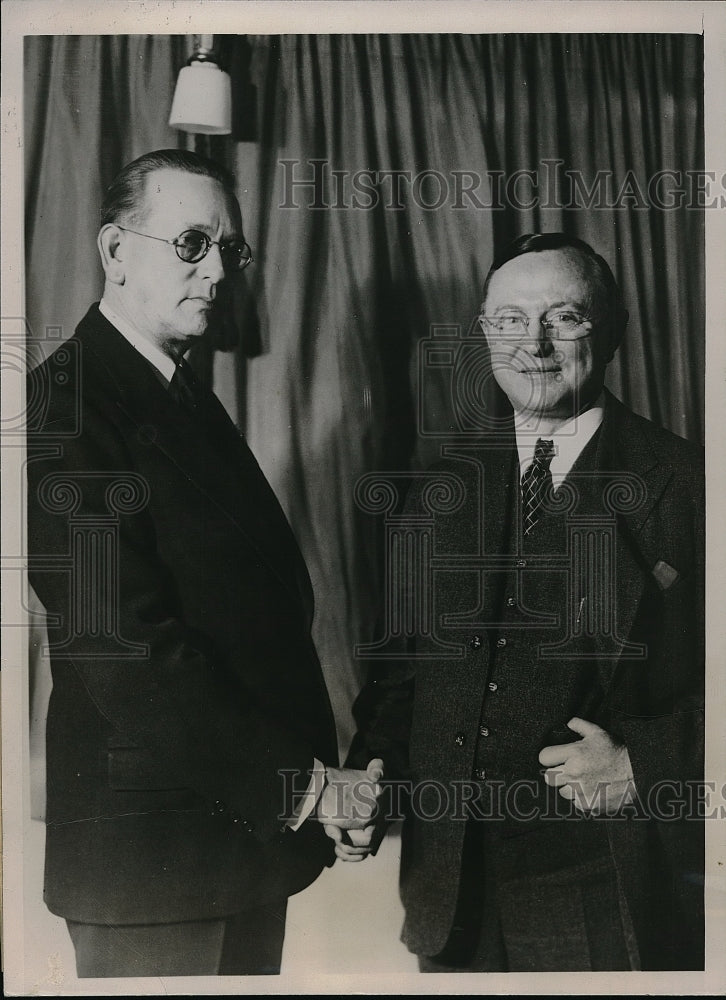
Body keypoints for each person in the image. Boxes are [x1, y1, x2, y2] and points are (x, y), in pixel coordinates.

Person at [26, 148, 381, 977]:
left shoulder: (178, 392)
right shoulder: (66, 406)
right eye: (192, 243)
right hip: (154, 871)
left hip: (233, 853)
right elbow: (126, 653)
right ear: (116, 253)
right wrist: (304, 789)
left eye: (231, 249)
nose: (219, 270)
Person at [343, 233, 704, 972]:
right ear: (483, 334)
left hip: (609, 887)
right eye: (509, 321)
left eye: (563, 317)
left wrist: (647, 763)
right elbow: (402, 679)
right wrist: (370, 779)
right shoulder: (436, 490)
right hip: (452, 903)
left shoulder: (691, 485)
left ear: (611, 330)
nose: (533, 345)